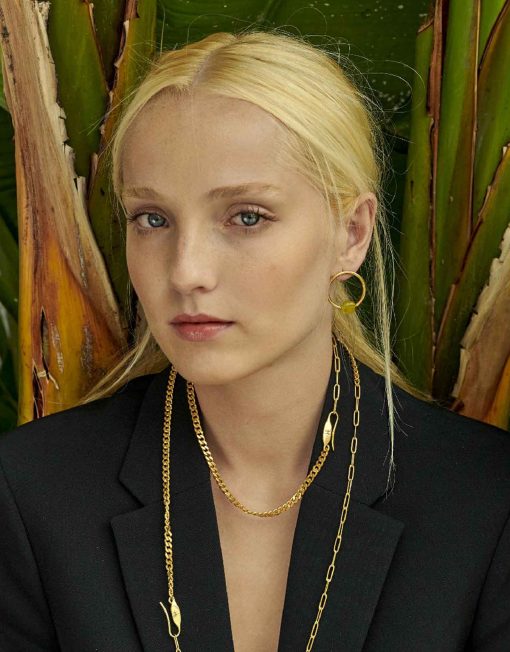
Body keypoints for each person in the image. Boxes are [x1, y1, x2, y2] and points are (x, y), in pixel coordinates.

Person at [1, 28, 509, 652]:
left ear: (352, 233)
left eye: (247, 217)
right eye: (152, 219)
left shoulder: (487, 500)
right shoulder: (32, 491)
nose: (186, 272)